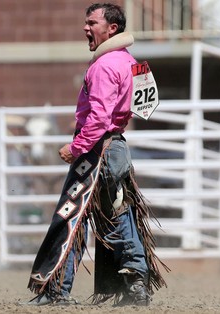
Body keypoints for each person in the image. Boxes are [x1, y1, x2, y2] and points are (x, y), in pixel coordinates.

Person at [26, 3, 168, 306]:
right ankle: (133, 285)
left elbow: (99, 118)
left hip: (98, 150)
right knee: (117, 214)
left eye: (92, 22)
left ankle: (57, 290)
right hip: (116, 147)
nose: (85, 27)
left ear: (112, 28)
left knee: (73, 216)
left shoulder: (103, 66)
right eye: (85, 22)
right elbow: (138, 106)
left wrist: (76, 147)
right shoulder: (131, 63)